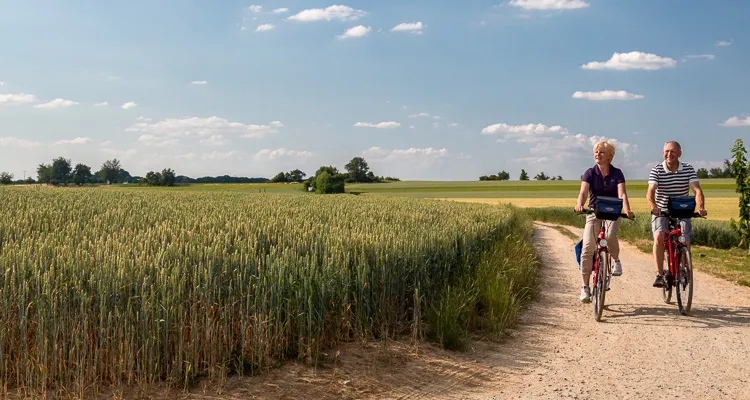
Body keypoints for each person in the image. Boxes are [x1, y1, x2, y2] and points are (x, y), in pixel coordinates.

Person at [575, 141, 634, 303]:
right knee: (587, 248)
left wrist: (627, 210)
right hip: (594, 212)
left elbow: (622, 193)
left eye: (601, 152)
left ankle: (616, 261)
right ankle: (585, 287)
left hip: (613, 211)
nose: (597, 155)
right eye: (596, 152)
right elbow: (583, 192)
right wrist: (580, 204)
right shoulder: (589, 173)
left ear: (609, 156)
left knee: (609, 235)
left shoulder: (617, 173)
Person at [647, 140, 707, 288]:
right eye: (667, 151)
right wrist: (654, 206)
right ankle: (659, 274)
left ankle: (684, 267)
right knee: (660, 236)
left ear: (679, 154)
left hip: (682, 210)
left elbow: (697, 190)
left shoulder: (687, 169)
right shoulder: (657, 170)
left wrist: (700, 207)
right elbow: (650, 192)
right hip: (662, 210)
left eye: (673, 151)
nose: (669, 154)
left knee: (685, 239)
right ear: (663, 153)